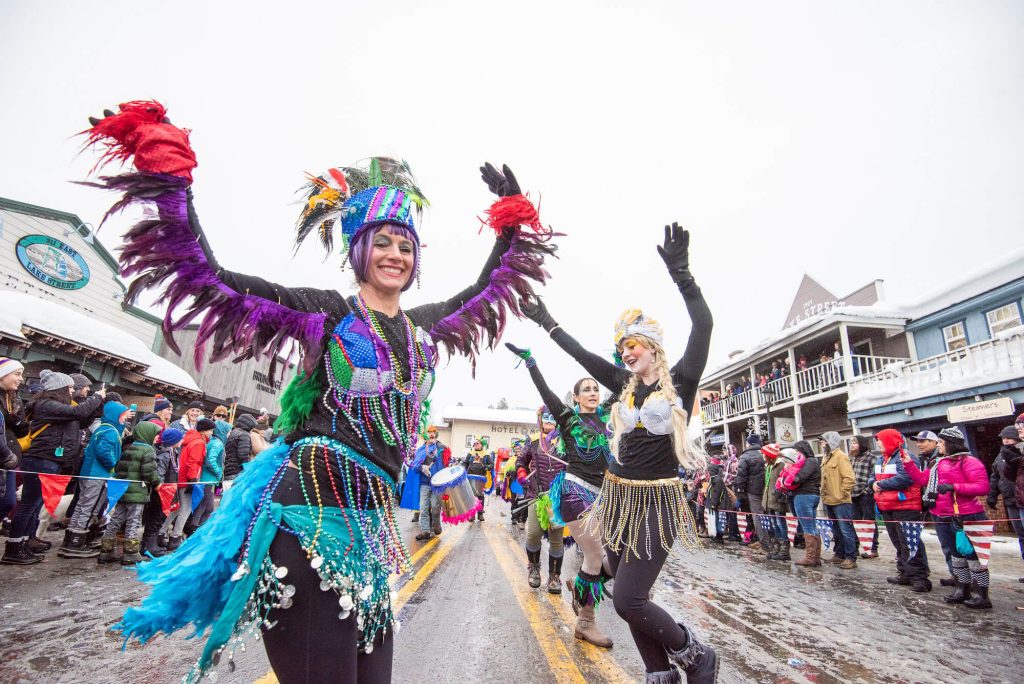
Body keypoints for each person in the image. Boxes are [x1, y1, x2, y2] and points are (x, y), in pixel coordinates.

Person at [85, 101, 556, 683]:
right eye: (382, 242)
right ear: (358, 249)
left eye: (406, 246)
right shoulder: (328, 315)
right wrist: (171, 182)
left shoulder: (423, 328)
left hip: (371, 538)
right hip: (308, 521)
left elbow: (491, 285)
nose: (395, 255)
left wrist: (509, 226)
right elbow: (212, 278)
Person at [520, 223, 715, 683]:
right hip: (620, 499)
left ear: (653, 347)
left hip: (658, 502)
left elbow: (704, 325)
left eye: (633, 345)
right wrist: (548, 323)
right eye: (623, 347)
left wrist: (682, 275)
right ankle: (658, 673)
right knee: (626, 595)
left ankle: (695, 655)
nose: (626, 353)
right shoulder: (624, 387)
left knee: (629, 598)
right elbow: (584, 357)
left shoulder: (681, 381)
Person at [506, 352, 614, 649]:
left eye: (596, 388)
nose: (593, 392)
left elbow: (625, 384)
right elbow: (545, 392)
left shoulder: (606, 415)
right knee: (594, 556)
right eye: (586, 389)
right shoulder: (568, 418)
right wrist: (531, 362)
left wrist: (621, 355)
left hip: (603, 493)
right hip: (575, 491)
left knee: (613, 557)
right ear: (576, 397)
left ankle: (581, 584)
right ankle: (585, 624)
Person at [2, 370, 105, 565]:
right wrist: (96, 398)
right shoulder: (47, 404)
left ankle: (25, 542)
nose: (73, 390)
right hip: (40, 458)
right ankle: (14, 547)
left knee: (35, 505)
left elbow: (83, 419)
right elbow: (78, 412)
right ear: (59, 389)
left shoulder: (60, 407)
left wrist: (98, 405)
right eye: (69, 387)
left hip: (51, 460)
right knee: (28, 505)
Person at [901, 426, 991, 608]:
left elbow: (982, 487)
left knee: (974, 556)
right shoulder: (938, 464)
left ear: (952, 444)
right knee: (956, 555)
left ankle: (982, 595)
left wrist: (955, 486)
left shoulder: (969, 462)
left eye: (942, 442)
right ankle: (962, 589)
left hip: (966, 514)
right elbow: (922, 480)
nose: (939, 445)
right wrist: (909, 464)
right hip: (941, 514)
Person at [61, 400, 131, 559]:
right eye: (122, 416)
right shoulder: (110, 431)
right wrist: (113, 465)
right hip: (99, 474)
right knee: (90, 506)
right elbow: (104, 451)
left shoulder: (102, 428)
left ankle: (70, 538)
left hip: (88, 472)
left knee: (81, 505)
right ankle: (77, 542)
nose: (124, 419)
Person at [871, 428, 931, 592]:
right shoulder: (880, 460)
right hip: (887, 506)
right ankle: (905, 572)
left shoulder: (906, 457)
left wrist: (880, 485)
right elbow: (873, 477)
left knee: (910, 543)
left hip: (905, 506)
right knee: (898, 543)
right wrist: (872, 483)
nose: (878, 443)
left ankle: (920, 577)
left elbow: (906, 478)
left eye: (881, 440)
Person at [517, 407, 566, 590]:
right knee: (534, 533)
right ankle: (534, 569)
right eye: (545, 416)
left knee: (556, 537)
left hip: (557, 497)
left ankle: (554, 577)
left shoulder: (564, 441)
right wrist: (522, 473)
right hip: (536, 494)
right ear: (540, 419)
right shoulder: (533, 440)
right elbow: (520, 461)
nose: (549, 420)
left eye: (553, 417)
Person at [100, 421, 163, 565]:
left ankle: (106, 550)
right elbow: (149, 472)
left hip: (123, 491)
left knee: (116, 519)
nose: (156, 438)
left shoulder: (128, 448)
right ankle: (131, 552)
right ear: (147, 434)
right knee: (134, 521)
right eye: (155, 435)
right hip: (137, 492)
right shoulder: (148, 451)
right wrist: (157, 482)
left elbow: (118, 469)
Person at [166, 417, 215, 548]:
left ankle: (161, 532)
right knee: (185, 509)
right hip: (188, 480)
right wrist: (193, 481)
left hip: (181, 478)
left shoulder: (191, 439)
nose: (212, 433)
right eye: (210, 430)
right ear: (204, 431)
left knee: (176, 509)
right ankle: (175, 537)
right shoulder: (199, 442)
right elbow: (194, 462)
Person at [141, 426, 184, 558]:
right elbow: (159, 473)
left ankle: (155, 541)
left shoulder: (174, 453)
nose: (182, 440)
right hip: (160, 492)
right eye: (180, 438)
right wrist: (161, 487)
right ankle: (148, 545)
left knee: (161, 518)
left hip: (168, 491)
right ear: (173, 441)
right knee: (155, 518)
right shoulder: (165, 455)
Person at [818, 432, 857, 570]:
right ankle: (839, 554)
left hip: (840, 501)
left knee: (846, 529)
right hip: (828, 500)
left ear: (830, 442)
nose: (821, 444)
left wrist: (841, 494)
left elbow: (849, 478)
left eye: (823, 441)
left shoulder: (841, 457)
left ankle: (851, 557)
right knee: (836, 529)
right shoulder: (826, 457)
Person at [403, 426, 450, 540]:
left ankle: (436, 524)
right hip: (424, 483)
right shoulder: (421, 450)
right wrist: (422, 467)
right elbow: (414, 467)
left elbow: (448, 464)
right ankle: (425, 531)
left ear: (436, 434)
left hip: (437, 484)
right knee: (423, 508)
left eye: (434, 432)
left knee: (435, 506)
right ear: (426, 435)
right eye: (429, 432)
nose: (432, 434)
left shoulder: (442, 448)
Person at [989, 425, 1024, 572]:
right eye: (1003, 439)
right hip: (1011, 501)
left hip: (1022, 498)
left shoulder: (1021, 452)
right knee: (1021, 535)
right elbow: (996, 477)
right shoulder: (1000, 456)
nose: (1006, 441)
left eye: (1009, 438)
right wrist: (992, 495)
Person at [0, 359, 28, 534]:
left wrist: (17, 419)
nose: (21, 379)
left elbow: (22, 431)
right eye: (17, 374)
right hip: (4, 455)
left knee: (8, 501)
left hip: (10, 457)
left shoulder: (15, 399)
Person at [190, 419, 229, 529]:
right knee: (202, 507)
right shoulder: (218, 443)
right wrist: (219, 473)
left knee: (209, 508)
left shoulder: (211, 441)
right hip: (208, 478)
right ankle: (194, 529)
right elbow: (210, 460)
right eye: (228, 431)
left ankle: (199, 528)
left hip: (207, 478)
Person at [790, 440, 822, 567]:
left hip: (804, 494)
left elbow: (800, 477)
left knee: (807, 526)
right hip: (811, 494)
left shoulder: (809, 462)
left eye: (798, 451)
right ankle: (815, 557)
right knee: (812, 525)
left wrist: (790, 477)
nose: (797, 454)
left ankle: (810, 557)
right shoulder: (812, 462)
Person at [849, 435, 879, 559]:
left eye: (855, 443)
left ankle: (872, 548)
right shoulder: (852, 458)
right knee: (854, 521)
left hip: (865, 494)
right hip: (853, 493)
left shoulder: (872, 458)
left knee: (868, 521)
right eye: (851, 443)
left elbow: (876, 475)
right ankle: (855, 547)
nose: (852, 445)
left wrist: (868, 490)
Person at [734, 433, 766, 552]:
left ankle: (764, 544)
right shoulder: (765, 454)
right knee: (768, 516)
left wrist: (740, 492)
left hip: (752, 490)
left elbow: (741, 476)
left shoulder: (746, 456)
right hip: (766, 490)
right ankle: (765, 541)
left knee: (757, 516)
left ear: (749, 443)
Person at [761, 444, 792, 561]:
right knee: (774, 525)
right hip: (769, 500)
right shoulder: (768, 467)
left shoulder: (781, 465)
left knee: (781, 525)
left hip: (777, 500)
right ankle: (776, 547)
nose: (763, 456)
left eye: (765, 454)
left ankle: (784, 550)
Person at [223, 414, 257, 490]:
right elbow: (243, 455)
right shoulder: (244, 435)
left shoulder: (233, 432)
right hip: (237, 474)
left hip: (228, 473)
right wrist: (249, 469)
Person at [463, 438, 493, 522]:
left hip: (481, 477)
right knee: (471, 495)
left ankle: (480, 514)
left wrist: (486, 467)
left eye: (477, 443)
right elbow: (465, 463)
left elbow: (491, 464)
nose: (476, 445)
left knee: (480, 496)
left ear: (481, 445)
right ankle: (472, 514)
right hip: (471, 477)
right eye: (475, 443)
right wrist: (463, 469)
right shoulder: (470, 453)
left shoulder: (486, 454)